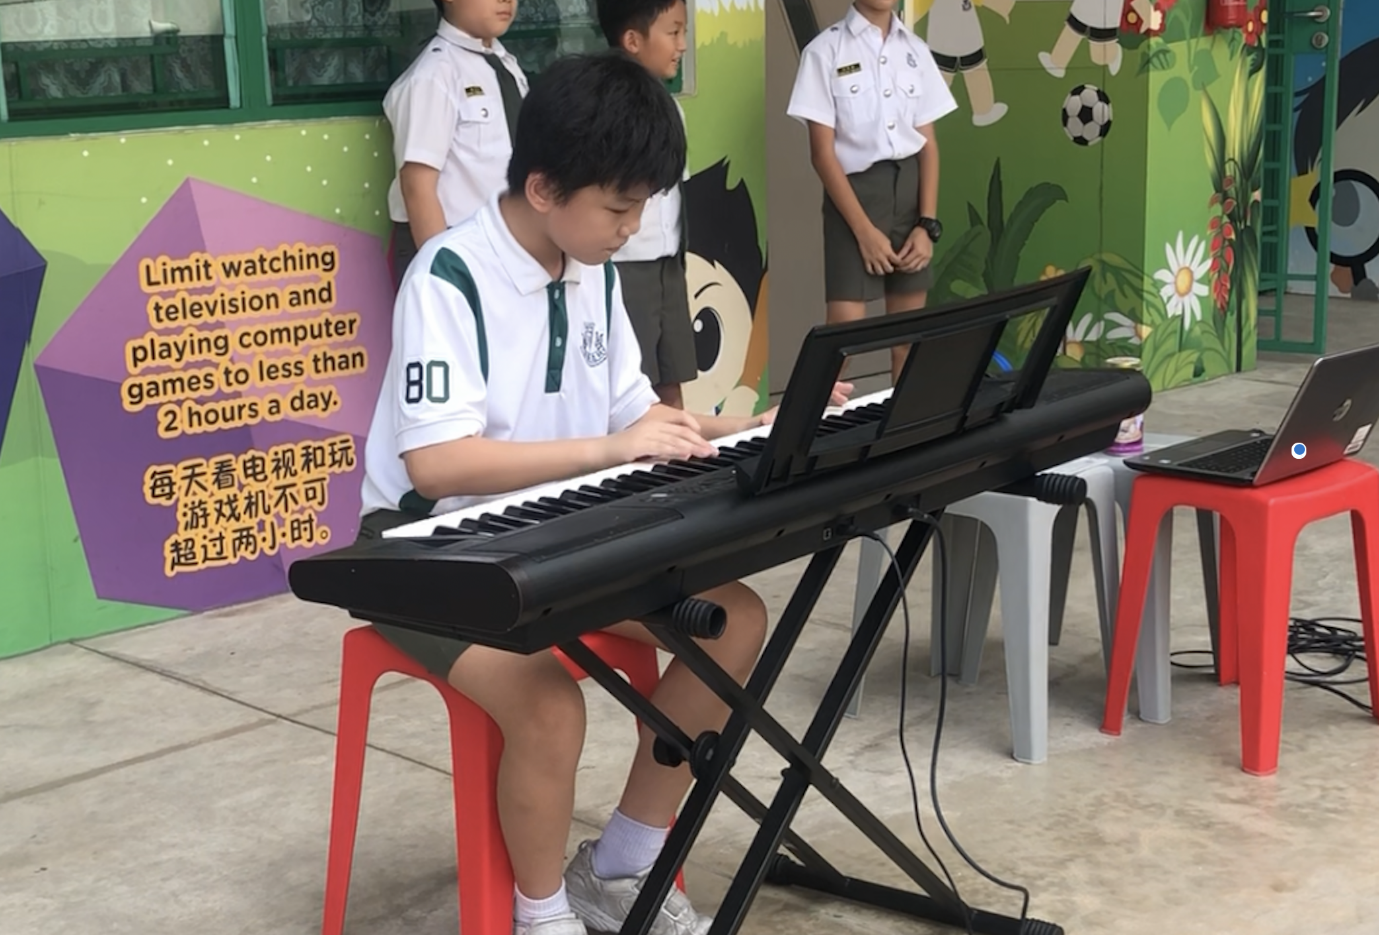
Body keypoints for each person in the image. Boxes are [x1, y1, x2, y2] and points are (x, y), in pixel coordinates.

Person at [358, 51, 848, 935]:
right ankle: (539, 912)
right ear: (543, 188)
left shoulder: (586, 270)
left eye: (641, 206)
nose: (632, 227)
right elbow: (437, 467)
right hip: (427, 547)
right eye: (619, 207)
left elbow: (637, 419)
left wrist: (760, 424)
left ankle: (621, 862)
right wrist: (608, 447)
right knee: (550, 703)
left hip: (555, 530)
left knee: (731, 618)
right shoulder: (449, 278)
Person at [787, 0, 957, 382]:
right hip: (854, 197)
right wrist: (864, 233)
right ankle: (809, 438)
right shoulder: (824, 51)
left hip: (911, 197)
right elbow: (821, 154)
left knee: (907, 338)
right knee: (843, 336)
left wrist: (926, 225)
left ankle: (904, 439)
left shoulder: (916, 50)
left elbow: (928, 145)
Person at [382, 0, 529, 289]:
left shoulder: (508, 66)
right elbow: (417, 184)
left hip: (504, 243)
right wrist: (443, 275)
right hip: (452, 246)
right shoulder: (434, 75)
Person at [597, 0, 696, 408]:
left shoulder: (669, 105)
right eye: (673, 33)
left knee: (670, 379)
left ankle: (684, 469)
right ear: (633, 40)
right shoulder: (606, 105)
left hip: (667, 264)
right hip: (624, 266)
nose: (683, 45)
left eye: (683, 32)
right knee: (630, 391)